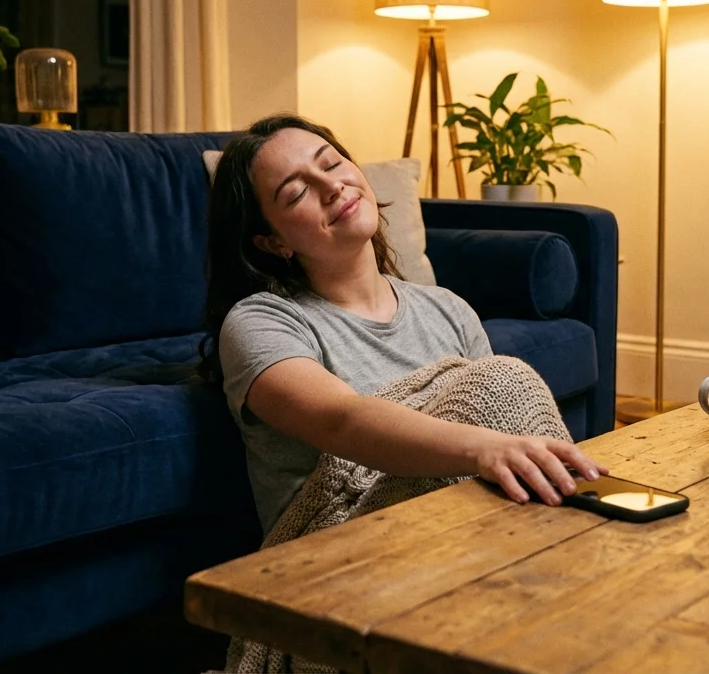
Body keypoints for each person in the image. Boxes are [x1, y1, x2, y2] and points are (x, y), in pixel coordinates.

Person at [201, 113, 608, 534]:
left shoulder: (447, 309)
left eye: (332, 163)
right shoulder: (260, 321)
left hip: (466, 533)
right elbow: (339, 420)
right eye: (299, 191)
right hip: (330, 540)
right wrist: (485, 448)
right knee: (501, 382)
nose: (331, 187)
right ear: (274, 242)